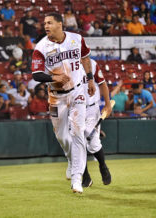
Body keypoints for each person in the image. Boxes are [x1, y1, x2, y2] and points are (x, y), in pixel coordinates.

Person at [31, 12, 96, 194]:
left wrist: (90, 79)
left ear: (60, 24)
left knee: (77, 132)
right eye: (44, 23)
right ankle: (70, 159)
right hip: (56, 96)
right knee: (61, 136)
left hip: (77, 92)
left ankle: (77, 178)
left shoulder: (76, 39)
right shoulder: (41, 47)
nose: (46, 26)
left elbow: (85, 57)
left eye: (50, 22)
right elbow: (36, 75)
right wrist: (54, 77)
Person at [81, 59, 112, 188]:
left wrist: (108, 104)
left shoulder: (92, 64)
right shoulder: (67, 64)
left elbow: (103, 84)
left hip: (91, 108)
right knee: (77, 145)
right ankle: (86, 177)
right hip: (75, 109)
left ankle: (103, 166)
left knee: (93, 145)